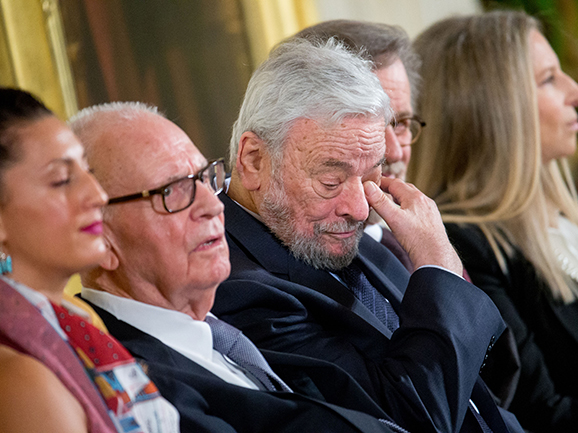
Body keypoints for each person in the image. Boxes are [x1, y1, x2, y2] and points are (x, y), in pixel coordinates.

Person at [214, 37, 523, 433]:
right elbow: (411, 420)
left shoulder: (329, 229)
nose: (360, 209)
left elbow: (483, 392)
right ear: (254, 159)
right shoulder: (239, 291)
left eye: (372, 177)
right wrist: (439, 266)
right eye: (330, 180)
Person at [69, 100, 420, 433]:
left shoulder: (221, 334)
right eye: (173, 191)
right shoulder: (124, 383)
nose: (213, 204)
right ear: (101, 238)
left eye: (205, 178)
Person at [410, 10, 578, 433]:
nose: (576, 92)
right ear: (491, 110)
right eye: (548, 79)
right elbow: (542, 416)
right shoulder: (466, 246)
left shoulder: (570, 219)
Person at [0, 88, 180, 433]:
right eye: (62, 180)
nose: (97, 195)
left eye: (87, 171)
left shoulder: (79, 318)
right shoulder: (20, 378)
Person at [294, 20, 423, 272]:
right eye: (369, 125)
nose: (395, 151)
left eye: (401, 123)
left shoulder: (415, 242)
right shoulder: (307, 253)